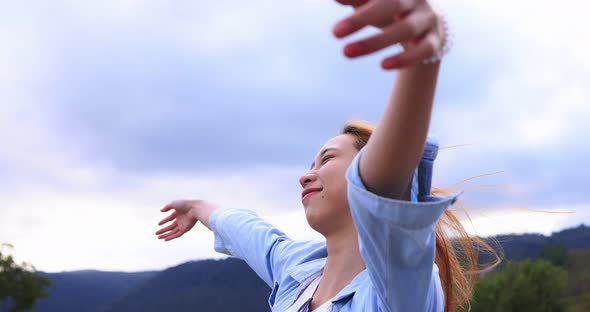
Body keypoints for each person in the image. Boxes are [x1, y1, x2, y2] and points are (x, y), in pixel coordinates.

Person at [155, 1, 497, 311]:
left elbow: (381, 188)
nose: (306, 175)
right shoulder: (298, 270)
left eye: (327, 159)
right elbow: (250, 232)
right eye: (310, 166)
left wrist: (422, 57)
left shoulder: (398, 290)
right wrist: (198, 207)